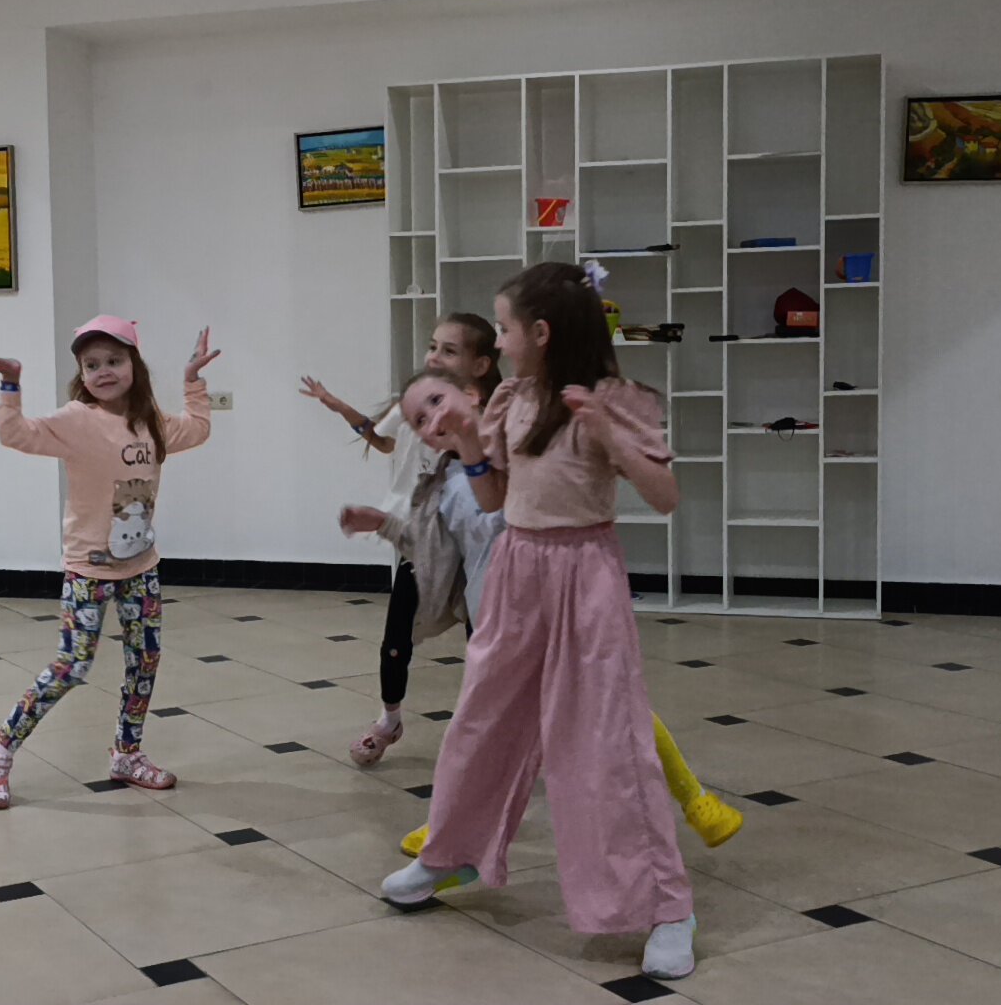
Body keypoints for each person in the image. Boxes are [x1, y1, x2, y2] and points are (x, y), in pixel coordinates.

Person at [378, 262, 698, 980]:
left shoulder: (615, 400)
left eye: (505, 327)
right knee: (481, 720)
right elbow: (494, 500)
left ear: (542, 333)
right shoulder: (511, 399)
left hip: (586, 573)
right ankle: (451, 853)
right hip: (519, 569)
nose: (499, 340)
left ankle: (666, 905)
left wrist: (608, 434)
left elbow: (666, 495)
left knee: (605, 742)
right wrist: (468, 442)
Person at [341, 367, 742, 866]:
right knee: (483, 732)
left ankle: (693, 799)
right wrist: (382, 523)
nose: (431, 420)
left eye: (438, 401)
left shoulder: (515, 457)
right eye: (419, 419)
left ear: (473, 394)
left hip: (552, 616)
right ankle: (450, 832)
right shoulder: (441, 483)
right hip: (497, 628)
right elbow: (434, 548)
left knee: (616, 709)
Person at [0, 316, 218, 809]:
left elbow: (197, 429)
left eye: (114, 360)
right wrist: (11, 383)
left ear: (134, 365)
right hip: (88, 570)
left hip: (141, 569)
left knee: (144, 662)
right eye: (92, 364)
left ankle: (127, 753)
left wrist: (192, 381)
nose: (103, 371)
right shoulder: (77, 420)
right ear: (81, 374)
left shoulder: (151, 422)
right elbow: (15, 433)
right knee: (72, 666)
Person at [298, 313, 498, 766]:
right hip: (422, 540)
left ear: (480, 366)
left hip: (480, 550)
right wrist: (338, 406)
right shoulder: (416, 400)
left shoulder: (493, 418)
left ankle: (489, 730)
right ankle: (389, 720)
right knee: (396, 637)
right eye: (433, 346)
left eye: (449, 350)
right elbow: (383, 439)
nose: (435, 356)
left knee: (483, 643)